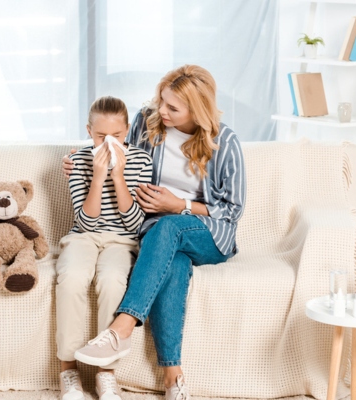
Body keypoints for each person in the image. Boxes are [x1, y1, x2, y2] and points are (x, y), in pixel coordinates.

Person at [62, 65, 246, 400]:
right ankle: (172, 377)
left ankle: (122, 328)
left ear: (197, 110)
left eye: (172, 108)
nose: (161, 111)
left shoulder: (225, 141)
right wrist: (80, 161)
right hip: (159, 232)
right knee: (172, 263)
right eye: (162, 101)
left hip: (206, 231)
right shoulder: (147, 123)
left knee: (169, 224)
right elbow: (115, 149)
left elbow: (232, 210)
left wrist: (180, 204)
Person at [56, 96, 153, 400]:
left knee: (113, 281)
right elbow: (85, 223)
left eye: (117, 136)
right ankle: (67, 370)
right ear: (89, 131)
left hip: (122, 239)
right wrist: (98, 177)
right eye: (101, 137)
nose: (109, 144)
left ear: (127, 132)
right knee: (71, 277)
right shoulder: (79, 161)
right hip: (84, 237)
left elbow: (135, 222)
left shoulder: (142, 161)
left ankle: (106, 373)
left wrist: (118, 175)